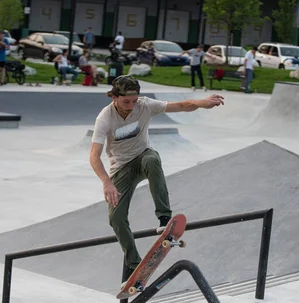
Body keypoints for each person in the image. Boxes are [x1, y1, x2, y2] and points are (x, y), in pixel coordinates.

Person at [89, 75, 224, 279]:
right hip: (121, 170)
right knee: (116, 219)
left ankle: (164, 217)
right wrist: (106, 181)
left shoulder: (145, 105)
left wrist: (201, 103)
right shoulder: (105, 118)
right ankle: (135, 265)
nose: (131, 106)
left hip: (143, 157)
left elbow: (182, 105)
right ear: (114, 97)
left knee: (152, 160)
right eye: (126, 101)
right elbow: (93, 156)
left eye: (134, 101)